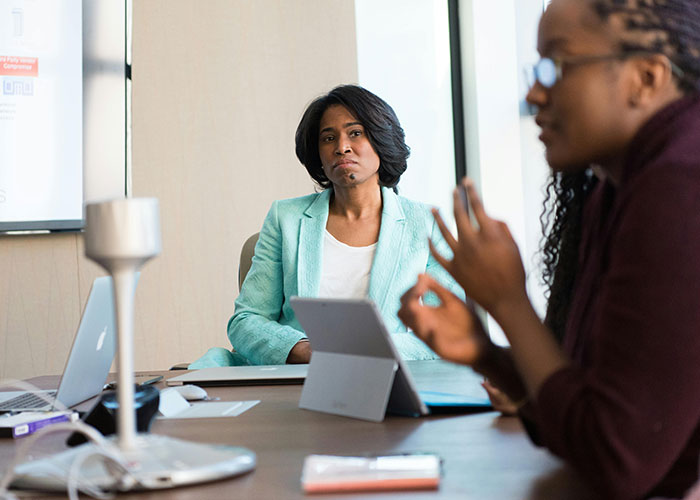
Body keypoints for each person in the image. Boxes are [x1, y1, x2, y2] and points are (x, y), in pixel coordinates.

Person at [398, 0, 700, 498]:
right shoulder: (616, 189)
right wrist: (488, 355)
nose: (535, 92)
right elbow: (587, 420)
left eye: (557, 67)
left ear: (646, 78)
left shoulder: (680, 186)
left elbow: (615, 462)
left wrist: (509, 304)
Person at [191, 84, 460, 368]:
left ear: (381, 139)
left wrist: (365, 350)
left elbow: (447, 330)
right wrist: (301, 350)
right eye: (328, 138)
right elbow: (246, 321)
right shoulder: (286, 217)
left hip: (383, 375)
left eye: (355, 133)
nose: (341, 147)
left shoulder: (426, 224)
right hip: (296, 378)